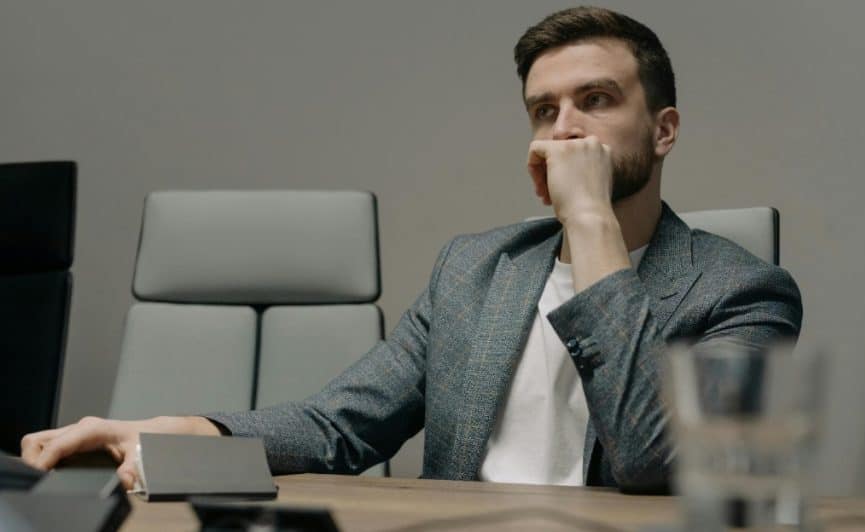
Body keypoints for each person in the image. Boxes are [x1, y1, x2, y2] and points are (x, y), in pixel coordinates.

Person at [20, 6, 801, 493]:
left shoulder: (743, 292)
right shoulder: (477, 267)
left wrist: (592, 221)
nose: (564, 127)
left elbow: (652, 461)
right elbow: (338, 428)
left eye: (596, 101)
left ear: (663, 129)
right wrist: (162, 434)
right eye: (544, 109)